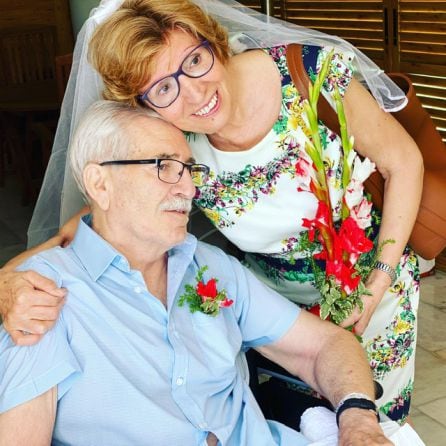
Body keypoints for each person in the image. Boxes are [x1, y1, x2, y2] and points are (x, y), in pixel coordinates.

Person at [0, 0, 423, 424]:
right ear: (146, 104)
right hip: (273, 311)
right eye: (164, 88)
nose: (194, 93)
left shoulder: (310, 72)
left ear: (216, 43)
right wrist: (5, 288)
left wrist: (378, 281)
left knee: (371, 418)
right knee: (298, 419)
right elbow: (80, 232)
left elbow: (403, 162)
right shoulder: (175, 137)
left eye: (195, 61)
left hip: (373, 284)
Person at [0, 100, 392, 446]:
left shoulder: (209, 264)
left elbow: (324, 345)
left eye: (189, 169)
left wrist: (358, 420)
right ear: (100, 184)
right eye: (165, 167)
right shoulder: (38, 298)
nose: (188, 189)